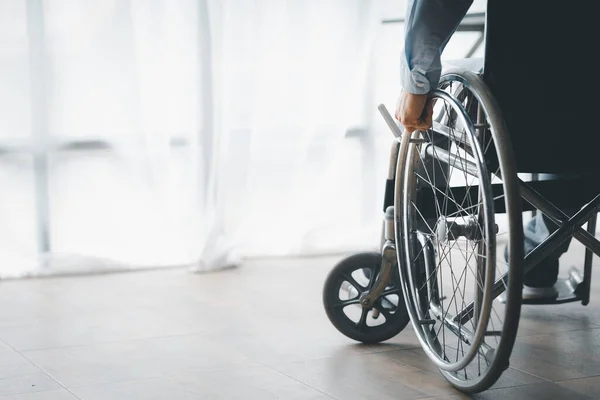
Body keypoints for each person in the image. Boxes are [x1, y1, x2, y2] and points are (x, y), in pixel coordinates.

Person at [394, 0, 565, 301]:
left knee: (434, 103)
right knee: (576, 133)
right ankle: (539, 256)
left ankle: (409, 258)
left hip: (523, 117)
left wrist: (415, 81)